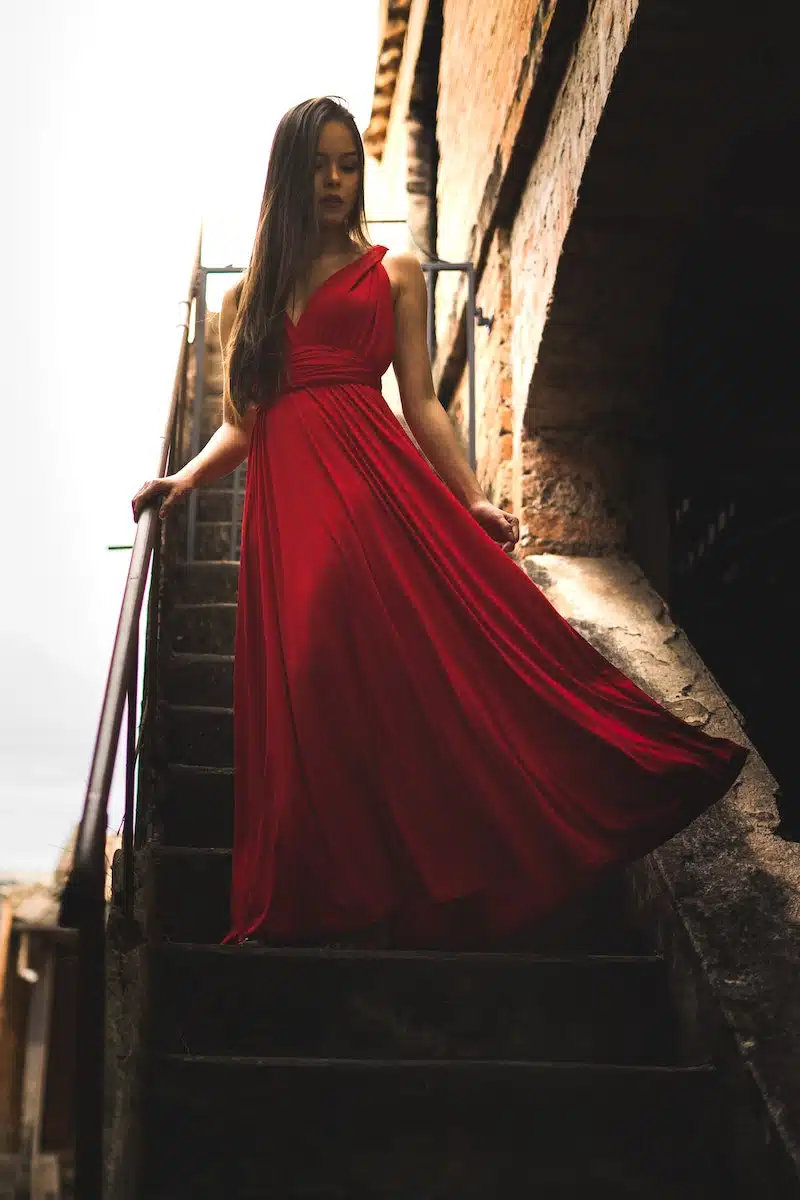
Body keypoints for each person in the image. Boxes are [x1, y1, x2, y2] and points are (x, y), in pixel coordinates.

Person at [132, 95, 748, 949]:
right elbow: (245, 421)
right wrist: (183, 478)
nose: (339, 182)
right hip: (286, 504)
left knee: (346, 660)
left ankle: (517, 816)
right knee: (309, 686)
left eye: (350, 165)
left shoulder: (397, 272)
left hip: (366, 489)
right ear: (290, 173)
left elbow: (420, 401)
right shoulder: (252, 295)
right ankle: (327, 891)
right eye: (322, 166)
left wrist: (470, 494)